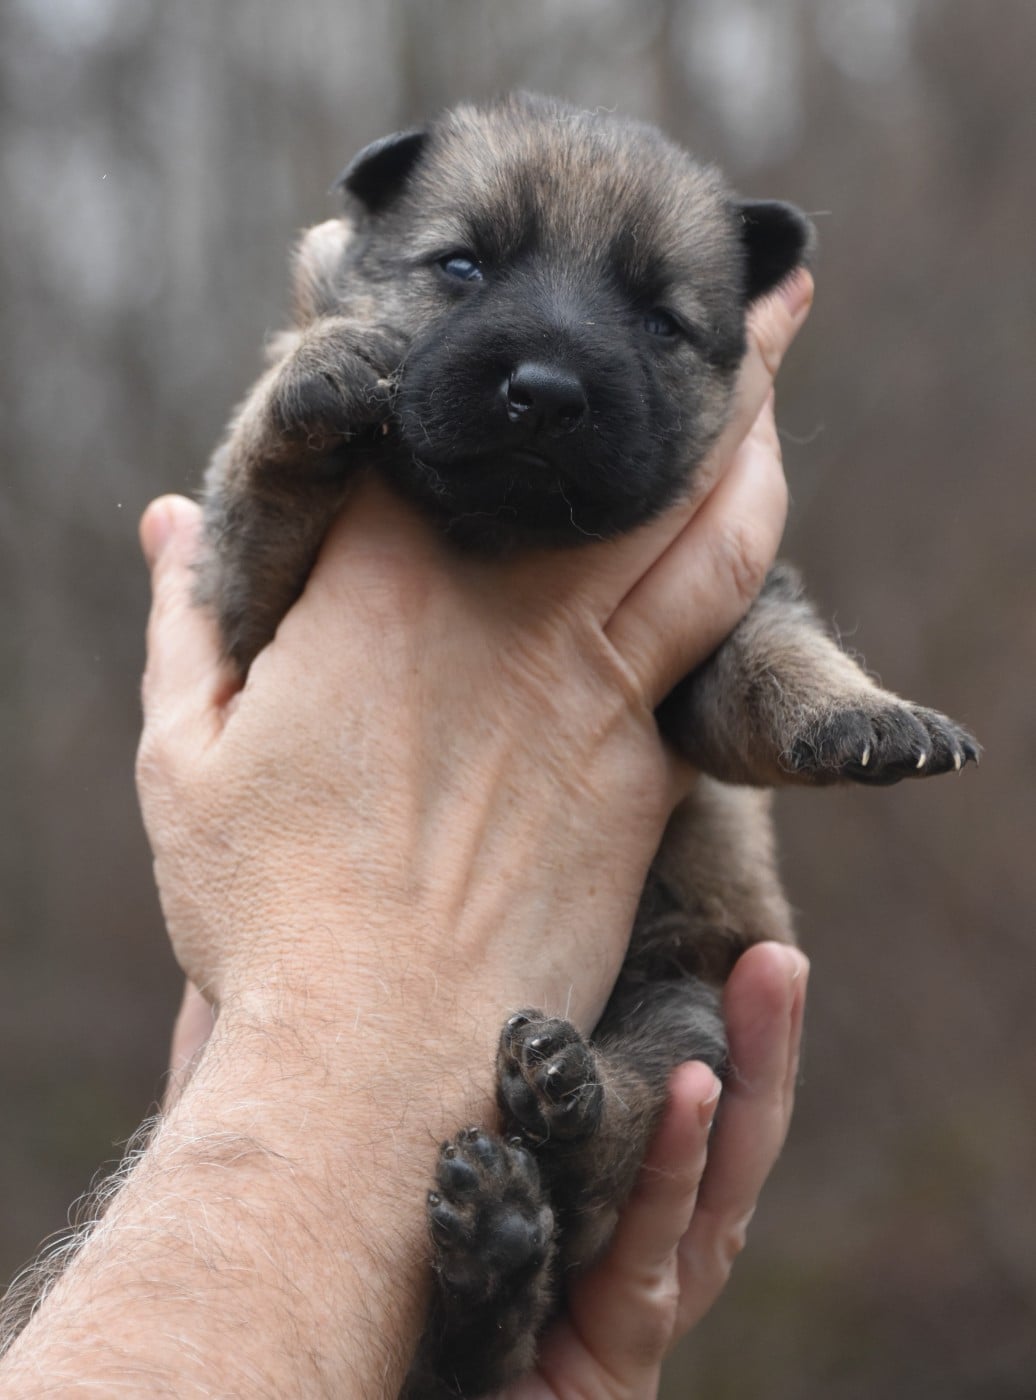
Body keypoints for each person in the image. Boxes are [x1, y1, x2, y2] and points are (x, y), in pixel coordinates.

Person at [0, 273, 812, 1398]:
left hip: (594, 1098)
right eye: (467, 272)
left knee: (674, 1054)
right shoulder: (352, 390)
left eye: (657, 322)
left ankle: (496, 1288)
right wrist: (343, 1051)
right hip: (458, 1254)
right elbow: (244, 533)